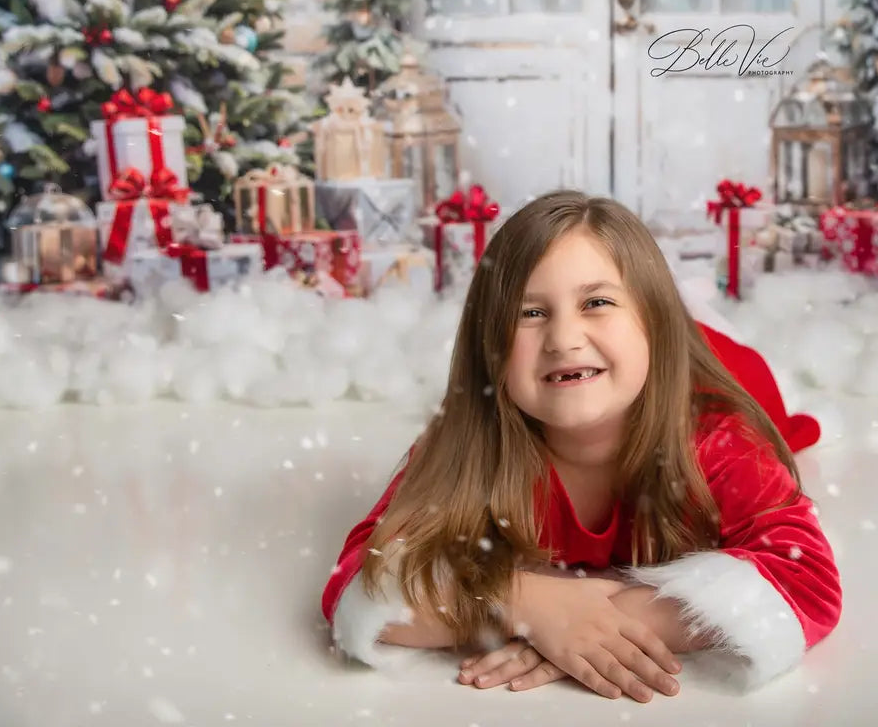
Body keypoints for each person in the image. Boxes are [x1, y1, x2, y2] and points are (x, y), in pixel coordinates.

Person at [321, 190, 842, 701]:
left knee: (753, 389)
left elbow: (808, 580)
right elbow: (359, 581)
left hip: (720, 369)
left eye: (597, 302)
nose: (563, 338)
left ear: (655, 325)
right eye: (530, 313)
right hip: (618, 362)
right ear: (489, 346)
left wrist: (603, 628)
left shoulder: (716, 437)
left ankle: (684, 315)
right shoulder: (467, 439)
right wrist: (522, 603)